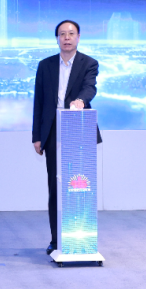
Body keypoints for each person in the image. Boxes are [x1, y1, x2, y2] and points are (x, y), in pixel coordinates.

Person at [32, 20, 101, 255]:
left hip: (78, 128)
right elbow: (39, 102)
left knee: (80, 184)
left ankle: (80, 235)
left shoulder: (89, 63)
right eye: (62, 34)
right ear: (57, 39)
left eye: (71, 34)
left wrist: (80, 100)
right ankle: (56, 238)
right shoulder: (45, 65)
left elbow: (90, 88)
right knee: (56, 186)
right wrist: (37, 136)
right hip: (52, 132)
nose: (67, 38)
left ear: (78, 37)